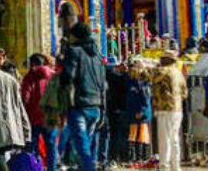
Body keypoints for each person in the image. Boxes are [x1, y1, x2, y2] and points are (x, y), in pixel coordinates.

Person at [60, 21, 106, 171]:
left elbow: (67, 77)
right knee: (86, 147)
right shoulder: (98, 56)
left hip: (79, 105)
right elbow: (102, 84)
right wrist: (103, 109)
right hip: (96, 107)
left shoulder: (74, 51)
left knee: (82, 149)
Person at [129, 51, 186, 171]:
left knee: (164, 139)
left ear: (165, 60)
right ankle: (176, 167)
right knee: (174, 139)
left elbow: (142, 75)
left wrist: (137, 67)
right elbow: (185, 93)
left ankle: (164, 166)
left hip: (165, 109)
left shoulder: (162, 71)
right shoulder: (178, 73)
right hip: (177, 109)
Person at [21, 53, 59, 171]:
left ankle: (35, 168)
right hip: (51, 116)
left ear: (31, 63)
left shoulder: (30, 76)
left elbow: (25, 97)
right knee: (51, 147)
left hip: (33, 118)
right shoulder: (54, 76)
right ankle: (51, 168)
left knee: (32, 147)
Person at [124, 67, 153, 165]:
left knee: (139, 134)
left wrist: (141, 111)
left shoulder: (139, 85)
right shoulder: (135, 83)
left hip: (138, 112)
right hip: (137, 112)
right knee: (140, 135)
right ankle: (139, 157)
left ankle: (138, 157)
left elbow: (144, 100)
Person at [106, 61, 130, 165]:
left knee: (112, 134)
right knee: (121, 134)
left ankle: (112, 156)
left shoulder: (107, 76)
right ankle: (122, 156)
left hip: (110, 108)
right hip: (121, 108)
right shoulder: (120, 77)